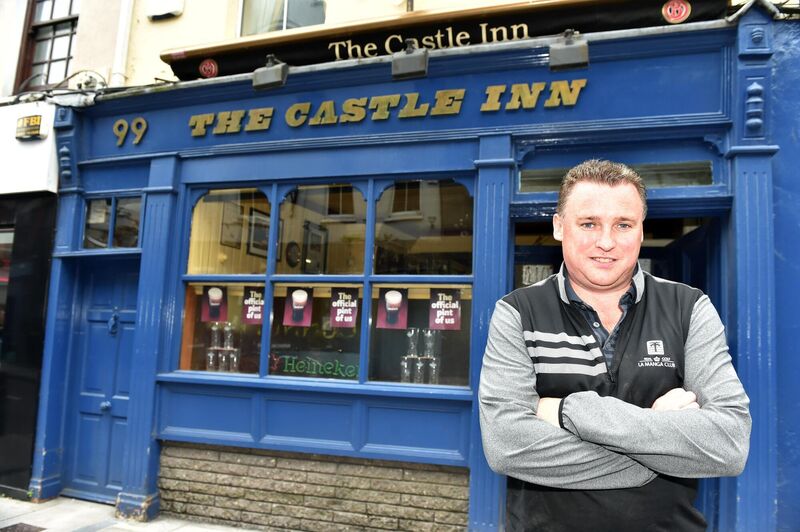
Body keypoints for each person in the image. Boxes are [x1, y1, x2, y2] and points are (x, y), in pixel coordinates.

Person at [478, 159, 751, 532]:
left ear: (641, 230)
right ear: (559, 226)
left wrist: (567, 411)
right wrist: (657, 444)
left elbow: (728, 445)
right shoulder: (517, 312)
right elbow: (507, 445)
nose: (606, 242)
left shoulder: (690, 308)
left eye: (623, 225)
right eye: (589, 223)